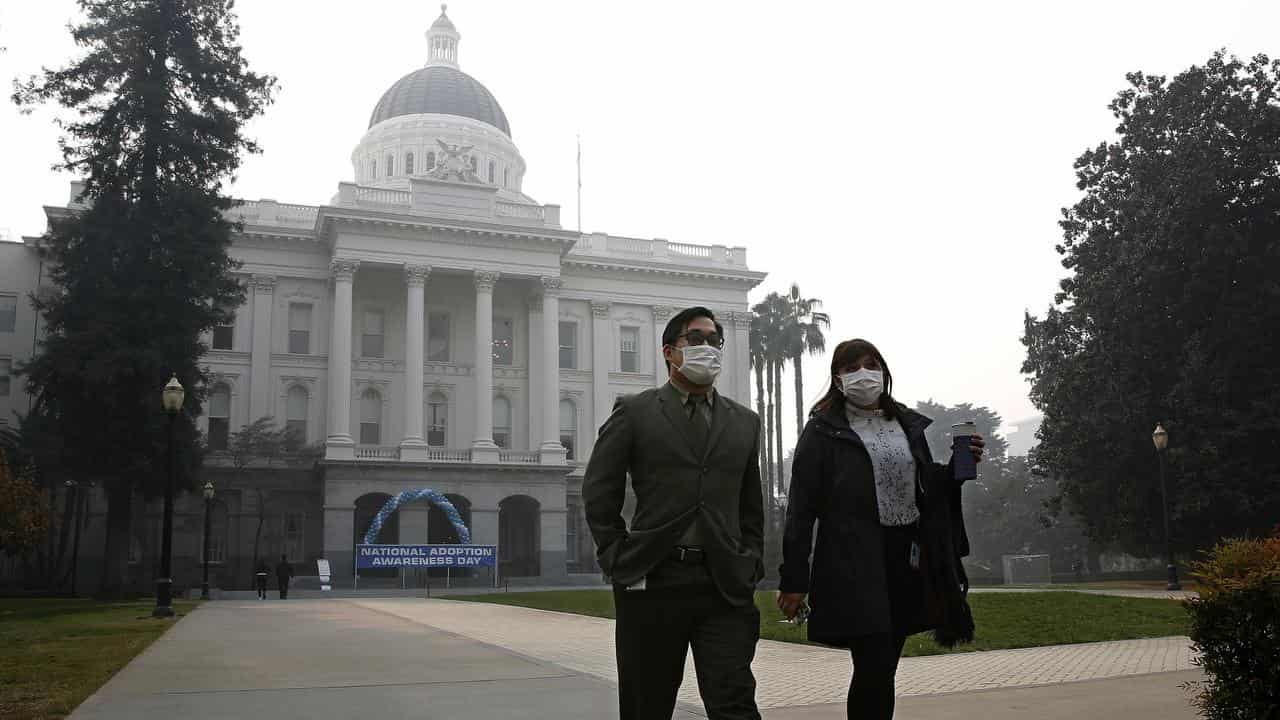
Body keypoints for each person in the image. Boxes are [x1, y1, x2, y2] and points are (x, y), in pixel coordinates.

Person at [777, 338, 984, 720]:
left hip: (905, 561)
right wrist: (793, 578)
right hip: (854, 562)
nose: (862, 374)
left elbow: (924, 483)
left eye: (870, 364)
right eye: (851, 367)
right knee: (872, 662)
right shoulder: (823, 431)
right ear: (837, 379)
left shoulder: (904, 423)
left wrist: (957, 469)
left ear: (884, 372)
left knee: (884, 664)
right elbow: (802, 509)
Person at [583, 306, 765, 720]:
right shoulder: (635, 411)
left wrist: (750, 558)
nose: (708, 348)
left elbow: (750, 505)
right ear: (670, 351)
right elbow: (599, 490)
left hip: (724, 584)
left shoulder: (744, 423)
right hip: (654, 579)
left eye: (714, 340)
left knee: (734, 701)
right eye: (695, 340)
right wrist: (617, 557)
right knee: (647, 703)